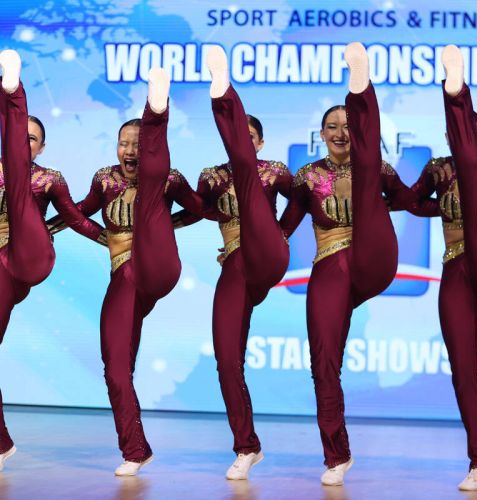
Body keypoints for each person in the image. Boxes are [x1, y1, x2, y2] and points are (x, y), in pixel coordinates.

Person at [279, 42, 432, 486]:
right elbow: (285, 226)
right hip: (330, 264)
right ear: (322, 134)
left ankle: (361, 87)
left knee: (368, 170)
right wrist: (250, 247)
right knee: (324, 361)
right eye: (333, 126)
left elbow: (410, 201)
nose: (340, 132)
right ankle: (337, 456)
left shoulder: (376, 168)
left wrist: (461, 208)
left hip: (372, 255)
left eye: (348, 125)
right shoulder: (307, 176)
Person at [50, 68, 211, 475]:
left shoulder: (168, 178)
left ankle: (158, 108)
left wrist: (169, 225)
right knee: (116, 366)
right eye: (124, 143)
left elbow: (201, 209)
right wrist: (44, 230)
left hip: (158, 262)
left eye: (138, 144)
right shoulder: (105, 179)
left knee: (153, 193)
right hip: (124, 272)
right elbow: (77, 213)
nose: (129, 150)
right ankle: (135, 449)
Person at [173, 46, 292, 480]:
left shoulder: (275, 170)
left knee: (252, 190)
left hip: (268, 250)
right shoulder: (212, 176)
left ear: (259, 142)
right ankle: (247, 446)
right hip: (236, 261)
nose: (244, 140)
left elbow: (303, 204)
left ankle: (224, 95)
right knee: (227, 358)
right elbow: (199, 211)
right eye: (238, 133)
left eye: (250, 134)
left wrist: (282, 233)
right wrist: (157, 225)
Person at [0, 49, 105, 471]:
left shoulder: (49, 178)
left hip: (28, 253)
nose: (25, 142)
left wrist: (111, 239)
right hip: (1, 264)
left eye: (32, 138)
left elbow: (75, 218)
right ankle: (1, 443)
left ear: (42, 147)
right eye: (19, 135)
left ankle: (12, 92)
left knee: (21, 187)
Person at [409, 44, 477, 491]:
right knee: (463, 367)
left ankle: (456, 91)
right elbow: (412, 201)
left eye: (462, 132)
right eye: (452, 134)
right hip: (457, 266)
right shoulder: (438, 170)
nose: (456, 140)